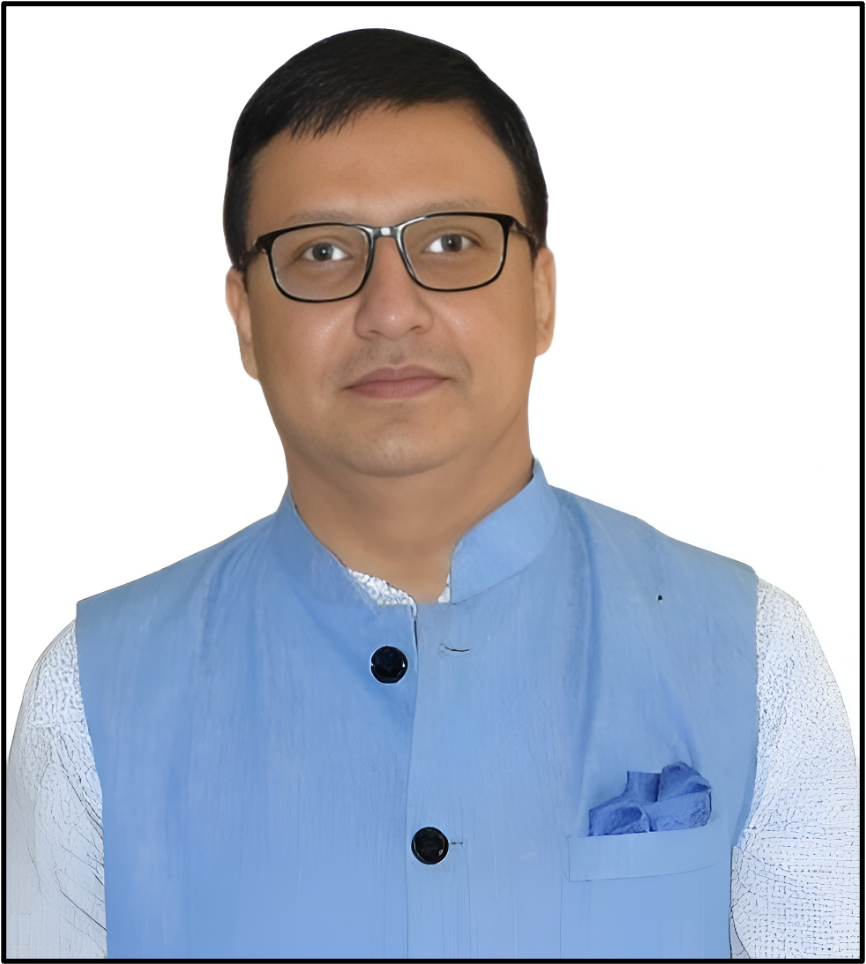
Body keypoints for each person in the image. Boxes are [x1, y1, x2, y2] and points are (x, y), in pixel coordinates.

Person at [6, 28, 858, 960]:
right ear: (246, 319)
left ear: (541, 294)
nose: (391, 310)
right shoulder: (90, 698)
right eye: (322, 252)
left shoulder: (753, 657)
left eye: (451, 243)